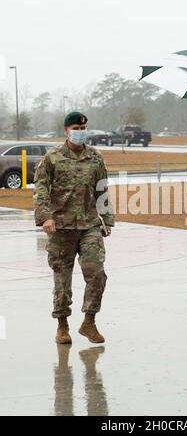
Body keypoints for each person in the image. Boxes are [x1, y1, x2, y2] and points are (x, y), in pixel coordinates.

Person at [34, 111, 114, 345]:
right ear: (66, 131)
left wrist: (107, 219)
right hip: (60, 227)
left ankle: (89, 322)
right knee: (62, 279)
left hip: (89, 225)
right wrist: (45, 217)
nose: (81, 132)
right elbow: (40, 190)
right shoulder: (52, 158)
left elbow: (102, 189)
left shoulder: (95, 158)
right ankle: (62, 325)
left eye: (84, 128)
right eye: (76, 129)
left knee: (97, 274)